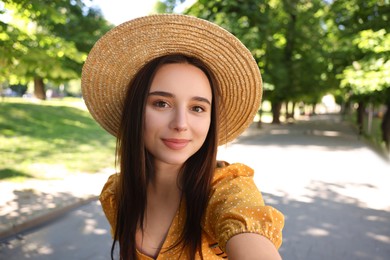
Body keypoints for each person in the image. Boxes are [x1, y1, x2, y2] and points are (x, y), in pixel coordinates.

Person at [81, 14, 284, 260]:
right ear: (135, 111)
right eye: (161, 103)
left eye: (197, 108)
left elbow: (249, 232)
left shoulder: (227, 189)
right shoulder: (117, 195)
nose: (180, 124)